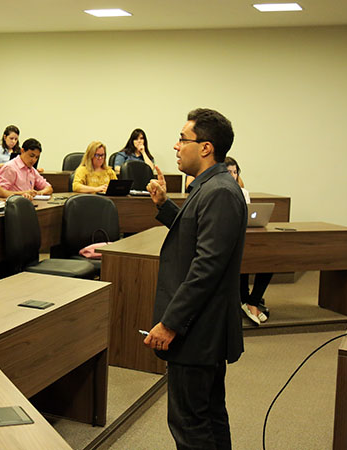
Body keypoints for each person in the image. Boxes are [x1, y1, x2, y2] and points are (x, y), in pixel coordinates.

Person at [144, 108, 245, 449]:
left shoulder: (218, 191)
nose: (175, 146)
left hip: (198, 330)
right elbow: (197, 236)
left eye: (182, 139)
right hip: (204, 327)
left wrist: (170, 323)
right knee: (208, 416)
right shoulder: (210, 187)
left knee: (190, 424)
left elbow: (206, 268)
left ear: (205, 148)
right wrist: (165, 206)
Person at [226, 156, 272, 325]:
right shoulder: (220, 192)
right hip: (229, 240)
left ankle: (252, 301)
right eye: (228, 172)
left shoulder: (243, 193)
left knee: (268, 261)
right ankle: (248, 303)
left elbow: (249, 217)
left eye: (235, 172)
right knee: (244, 260)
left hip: (245, 237)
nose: (232, 176)